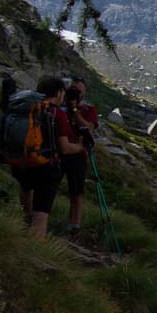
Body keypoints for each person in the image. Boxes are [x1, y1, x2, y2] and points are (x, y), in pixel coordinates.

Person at [1, 75, 64, 238]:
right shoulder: (56, 113)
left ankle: (24, 223)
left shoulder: (25, 107)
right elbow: (65, 146)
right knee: (41, 216)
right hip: (45, 167)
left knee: (26, 187)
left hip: (19, 161)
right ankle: (35, 253)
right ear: (59, 94)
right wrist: (80, 146)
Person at [55, 78, 98, 235]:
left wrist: (74, 110)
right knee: (51, 186)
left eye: (79, 91)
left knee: (77, 191)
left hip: (79, 154)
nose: (75, 94)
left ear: (84, 93)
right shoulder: (58, 106)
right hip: (59, 151)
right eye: (73, 89)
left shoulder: (88, 109)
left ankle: (74, 225)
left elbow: (89, 127)